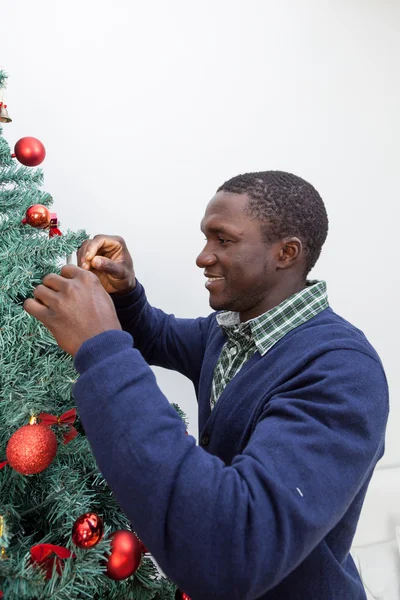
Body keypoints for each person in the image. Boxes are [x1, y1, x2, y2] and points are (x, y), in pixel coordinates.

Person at [24, 171, 389, 600]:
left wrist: (101, 350)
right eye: (206, 238)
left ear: (286, 253)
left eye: (224, 240)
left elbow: (233, 550)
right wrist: (123, 293)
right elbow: (156, 334)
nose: (203, 257)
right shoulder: (232, 330)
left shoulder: (342, 372)